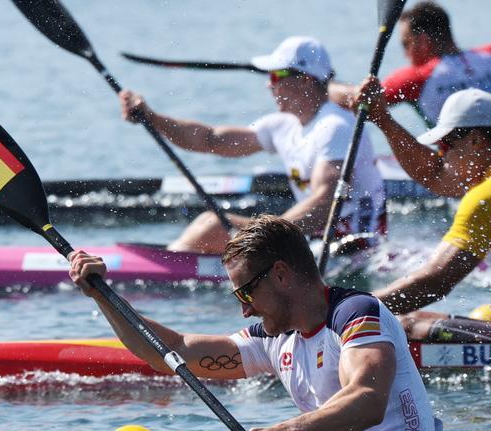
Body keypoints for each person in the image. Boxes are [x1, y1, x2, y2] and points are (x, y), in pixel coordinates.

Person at [68, 215, 439, 431]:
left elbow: (367, 400)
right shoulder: (275, 339)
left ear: (280, 274)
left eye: (245, 292)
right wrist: (104, 296)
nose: (244, 309)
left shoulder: (355, 314)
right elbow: (174, 351)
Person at [120, 36, 386, 254]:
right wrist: (153, 118)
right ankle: (179, 258)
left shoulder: (335, 126)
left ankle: (171, 267)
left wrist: (262, 237)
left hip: (350, 245)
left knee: (213, 226)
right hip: (313, 238)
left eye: (275, 76)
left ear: (305, 79)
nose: (269, 86)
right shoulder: (284, 125)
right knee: (210, 222)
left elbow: (324, 203)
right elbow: (211, 139)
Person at [357, 82, 491, 342]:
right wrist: (383, 120)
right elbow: (436, 174)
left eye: (444, 144)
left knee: (404, 327)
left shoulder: (484, 197)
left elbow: (433, 282)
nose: (441, 155)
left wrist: (343, 311)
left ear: (475, 140)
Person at [331, 2, 491, 127]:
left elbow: (361, 97)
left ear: (422, 41)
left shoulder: (418, 78)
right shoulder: (487, 54)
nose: (405, 55)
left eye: (406, 44)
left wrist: (324, 83)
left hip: (459, 165)